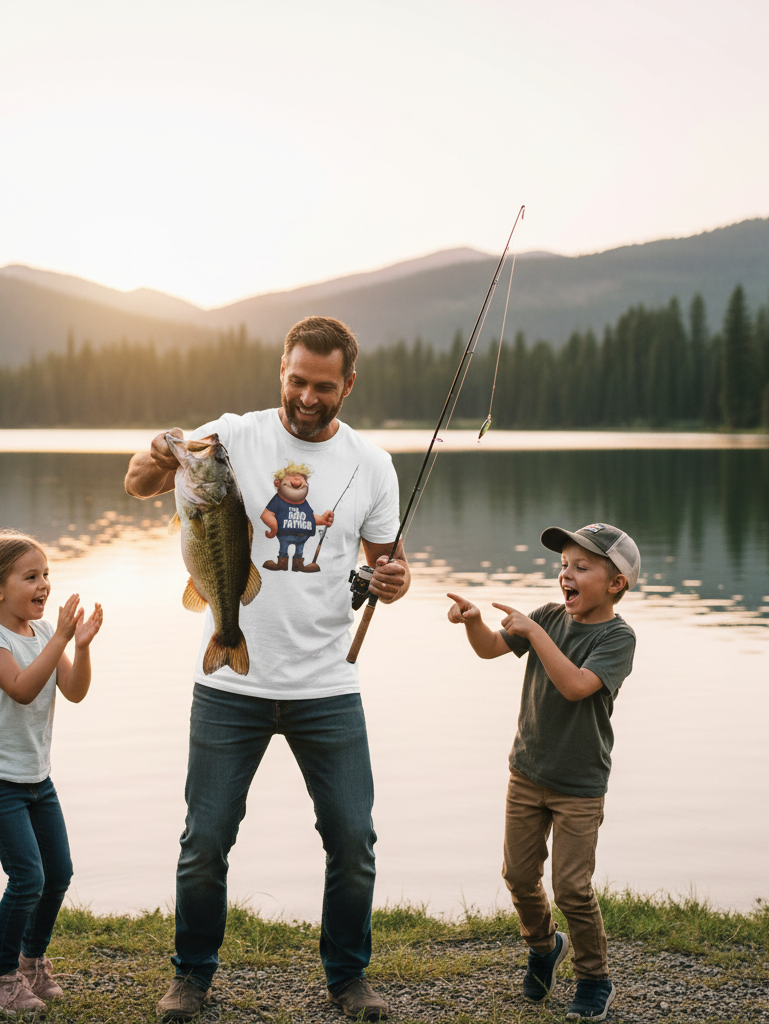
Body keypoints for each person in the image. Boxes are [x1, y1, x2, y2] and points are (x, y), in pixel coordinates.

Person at [125, 316, 410, 1021]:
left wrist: (396, 582)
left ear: (348, 383)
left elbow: (388, 565)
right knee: (205, 840)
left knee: (353, 840)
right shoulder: (230, 436)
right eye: (296, 381)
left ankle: (349, 979)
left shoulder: (372, 465)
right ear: (281, 369)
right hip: (229, 685)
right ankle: (191, 977)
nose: (307, 398)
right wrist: (165, 451)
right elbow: (138, 483)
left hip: (327, 686)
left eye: (323, 386)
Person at [446, 523, 639, 1022]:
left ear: (616, 583)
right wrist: (471, 622)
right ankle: (542, 946)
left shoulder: (618, 638)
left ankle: (594, 978)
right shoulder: (548, 616)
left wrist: (532, 632)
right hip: (527, 772)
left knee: (572, 887)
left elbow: (577, 686)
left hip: (579, 785)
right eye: (563, 566)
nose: (565, 575)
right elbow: (491, 647)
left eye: (581, 567)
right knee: (518, 875)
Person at [0, 529, 103, 1017]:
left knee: (57, 873)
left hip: (36, 778)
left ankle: (31, 963)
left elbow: (74, 691)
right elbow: (20, 688)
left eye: (46, 576)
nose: (43, 585)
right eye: (31, 577)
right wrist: (59, 636)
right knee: (27, 877)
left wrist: (78, 647)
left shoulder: (41, 633)